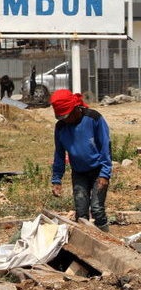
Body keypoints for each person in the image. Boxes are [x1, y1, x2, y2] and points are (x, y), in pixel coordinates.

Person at [50, 89, 113, 232]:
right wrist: (56, 179)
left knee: (97, 209)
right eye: (61, 117)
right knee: (81, 211)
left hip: (98, 171)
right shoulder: (61, 127)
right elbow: (59, 154)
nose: (65, 120)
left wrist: (105, 173)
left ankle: (108, 243)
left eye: (66, 116)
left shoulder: (94, 118)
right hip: (79, 173)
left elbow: (105, 146)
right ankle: (87, 243)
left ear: (74, 109)